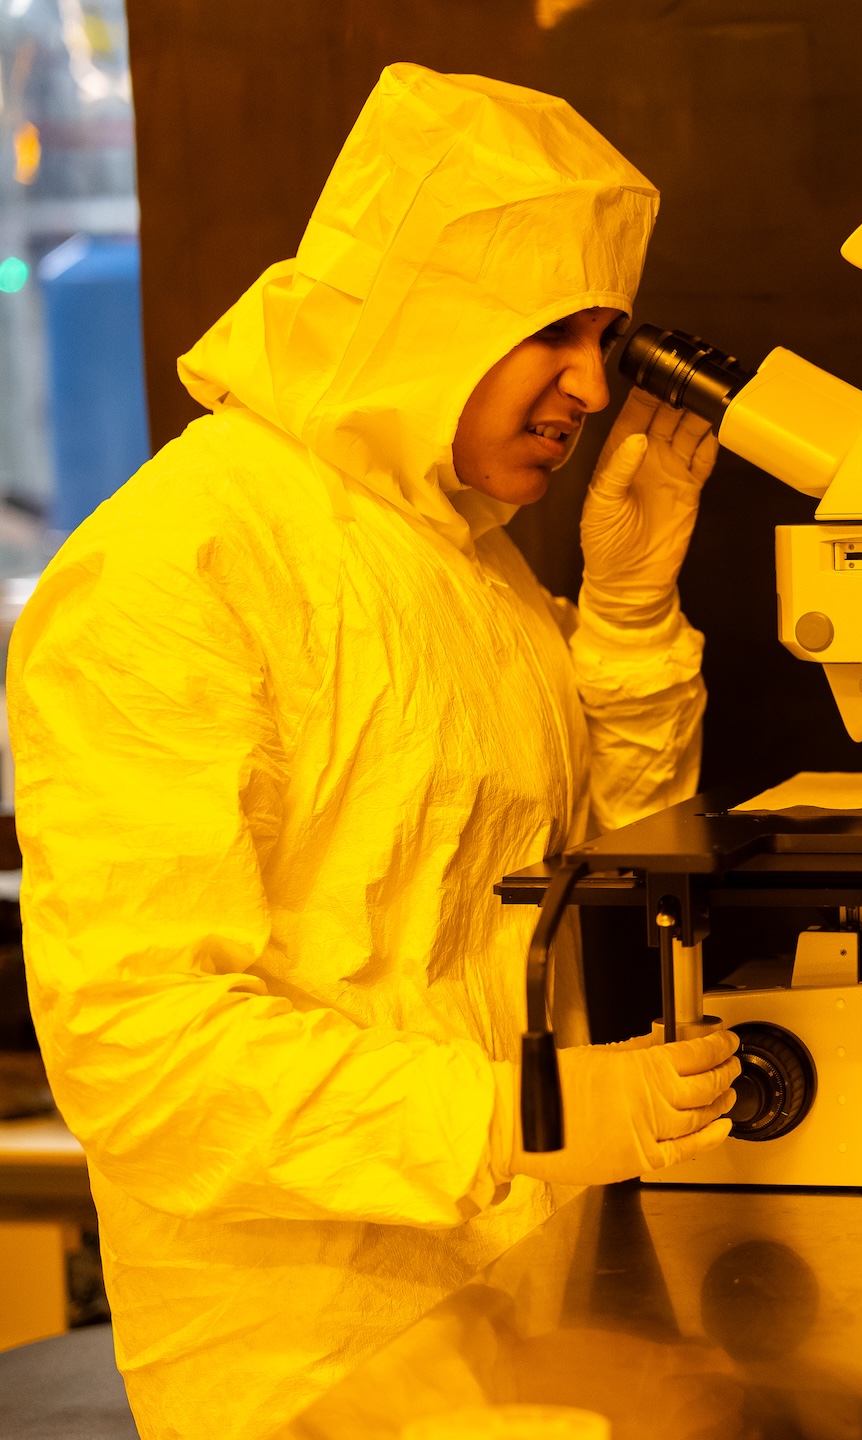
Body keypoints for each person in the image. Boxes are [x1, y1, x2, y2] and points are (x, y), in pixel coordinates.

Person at [6, 65, 741, 1438]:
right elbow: (143, 1050)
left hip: (514, 1301)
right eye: (554, 331)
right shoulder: (181, 567)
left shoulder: (467, 566)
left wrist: (630, 616)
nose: (591, 386)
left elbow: (610, 862)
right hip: (305, 1363)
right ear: (423, 308)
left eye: (608, 338)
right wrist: (518, 1117)